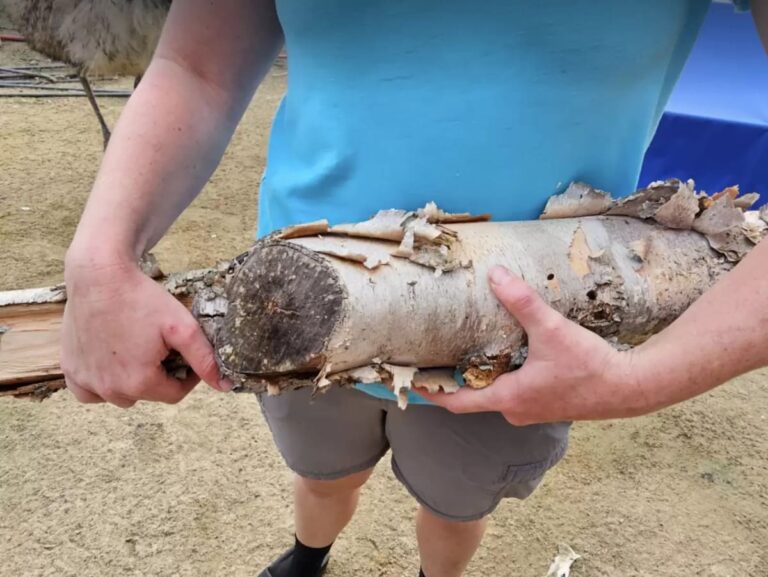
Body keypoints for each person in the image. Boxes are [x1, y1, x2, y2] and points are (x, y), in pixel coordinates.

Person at [61, 1, 768, 576]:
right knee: (321, 475)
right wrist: (99, 255)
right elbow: (196, 65)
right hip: (294, 303)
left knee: (456, 508)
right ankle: (310, 556)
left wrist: (642, 381)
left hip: (523, 342)